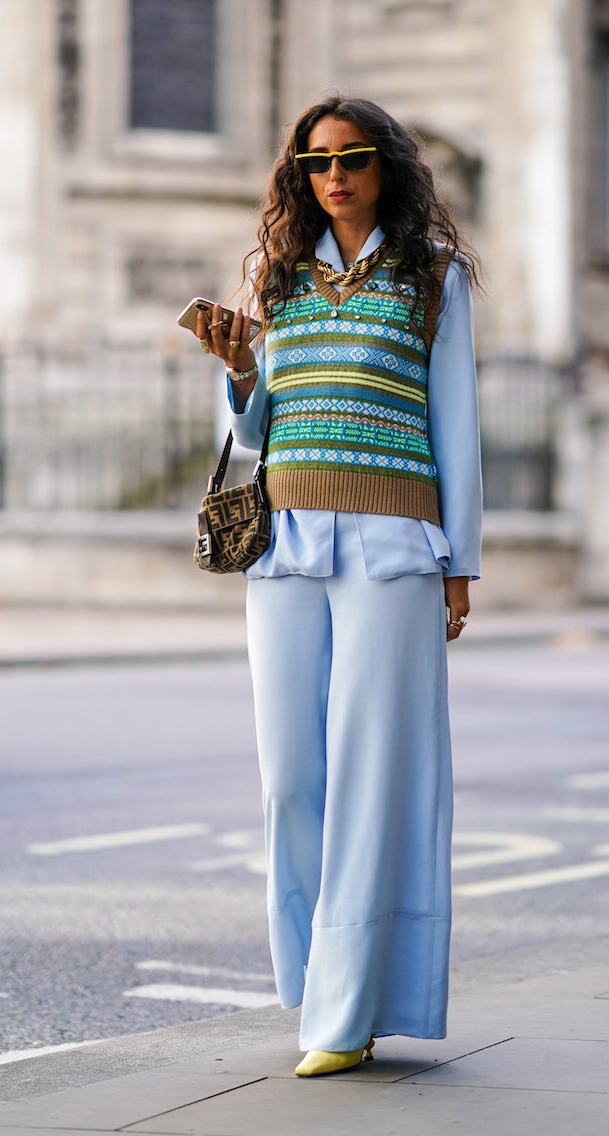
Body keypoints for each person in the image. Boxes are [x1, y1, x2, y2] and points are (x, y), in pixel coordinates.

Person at [190, 94, 482, 1077]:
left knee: (372, 774)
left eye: (354, 157)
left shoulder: (431, 277)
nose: (336, 175)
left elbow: (456, 423)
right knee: (290, 780)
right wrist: (237, 375)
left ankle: (345, 1014)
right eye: (318, 162)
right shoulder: (277, 281)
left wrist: (459, 559)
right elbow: (251, 427)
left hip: (395, 546)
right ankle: (318, 984)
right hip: (285, 541)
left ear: (384, 166)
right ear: (300, 176)